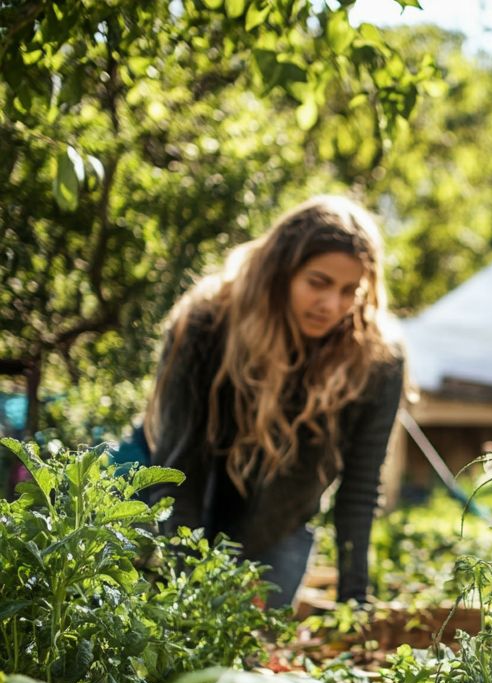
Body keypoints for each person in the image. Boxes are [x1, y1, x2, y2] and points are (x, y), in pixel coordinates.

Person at [145, 195, 405, 609]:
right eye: (318, 283)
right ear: (280, 272)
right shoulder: (207, 323)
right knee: (177, 645)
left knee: (250, 656)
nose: (332, 305)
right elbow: (178, 470)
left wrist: (355, 599)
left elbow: (359, 488)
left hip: (279, 528)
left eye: (348, 291)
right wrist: (186, 587)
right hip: (191, 502)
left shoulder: (375, 361)